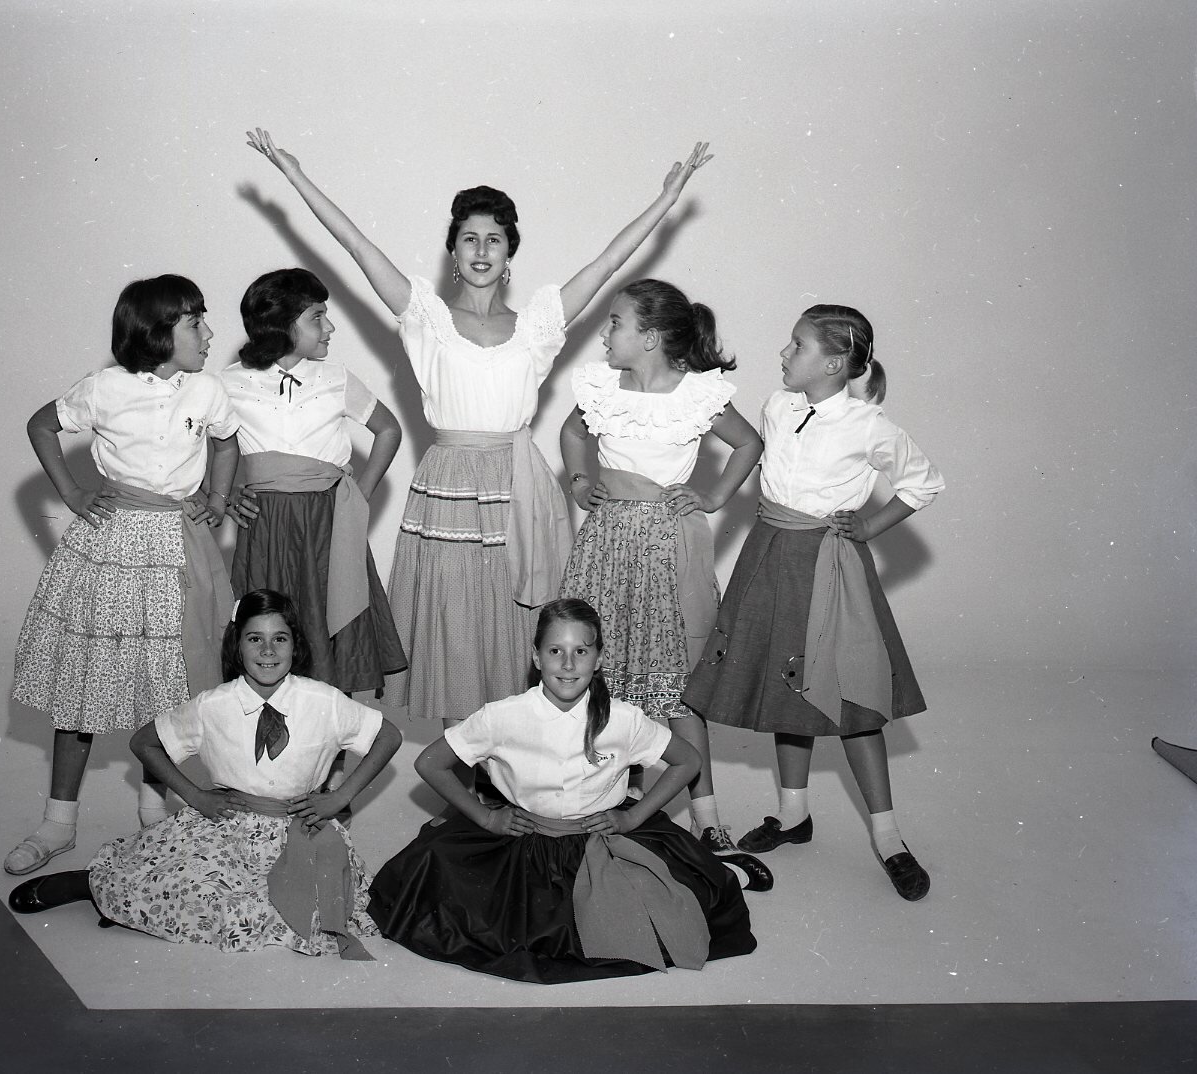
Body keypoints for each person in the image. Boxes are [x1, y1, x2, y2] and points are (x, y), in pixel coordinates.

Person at [244, 127, 712, 730]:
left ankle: (518, 785)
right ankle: (465, 793)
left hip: (519, 492)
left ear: (509, 253)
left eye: (494, 239)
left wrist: (666, 201)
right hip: (449, 490)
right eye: (470, 239)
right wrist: (295, 175)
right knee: (455, 631)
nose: (482, 250)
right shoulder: (425, 317)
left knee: (522, 633)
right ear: (454, 254)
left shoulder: (540, 321)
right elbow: (357, 246)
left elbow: (606, 263)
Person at [682, 305, 945, 900]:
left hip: (829, 567)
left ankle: (889, 838)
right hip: (770, 557)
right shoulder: (778, 407)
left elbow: (922, 482)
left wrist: (870, 528)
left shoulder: (867, 424)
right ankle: (793, 814)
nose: (783, 353)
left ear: (832, 363)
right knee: (787, 686)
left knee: (854, 699)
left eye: (796, 345)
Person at [366, 598, 760, 984]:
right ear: (537, 658)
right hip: (523, 842)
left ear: (598, 658)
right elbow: (429, 763)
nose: (568, 665)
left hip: (599, 837)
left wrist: (634, 816)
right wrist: (486, 816)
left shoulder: (624, 719)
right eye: (556, 651)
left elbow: (687, 760)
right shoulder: (503, 716)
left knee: (686, 900)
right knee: (446, 895)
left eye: (581, 651)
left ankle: (728, 873)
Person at [8, 589, 403, 957]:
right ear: (237, 645)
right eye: (254, 639)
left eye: (279, 639)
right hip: (229, 826)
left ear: (295, 644)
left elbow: (388, 735)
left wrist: (340, 796)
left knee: (326, 909)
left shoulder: (323, 700)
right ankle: (90, 885)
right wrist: (196, 796)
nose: (268, 651)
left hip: (300, 828)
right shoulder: (213, 705)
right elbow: (144, 743)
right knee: (192, 892)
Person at [4, 275, 240, 876]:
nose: (209, 334)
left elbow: (226, 443)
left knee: (167, 686)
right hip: (110, 549)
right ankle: (59, 822)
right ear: (159, 334)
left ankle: (154, 812)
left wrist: (217, 495)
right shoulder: (105, 388)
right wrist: (74, 492)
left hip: (176, 550)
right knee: (84, 687)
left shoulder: (208, 390)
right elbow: (41, 426)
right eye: (196, 324)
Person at [559, 279, 763, 866]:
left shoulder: (697, 395)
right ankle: (596, 799)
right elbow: (574, 432)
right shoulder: (602, 388)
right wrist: (578, 480)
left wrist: (715, 496)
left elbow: (748, 443)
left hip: (667, 551)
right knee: (600, 675)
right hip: (606, 545)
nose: (604, 333)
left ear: (649, 337)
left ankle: (708, 822)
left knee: (675, 688)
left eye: (615, 323)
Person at [222, 267, 406, 694]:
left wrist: (358, 496)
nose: (330, 327)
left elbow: (389, 430)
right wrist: (226, 492)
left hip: (327, 524)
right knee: (267, 634)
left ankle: (332, 755)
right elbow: (210, 448)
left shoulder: (335, 377)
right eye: (317, 317)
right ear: (282, 326)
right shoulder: (228, 383)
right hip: (266, 526)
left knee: (330, 633)